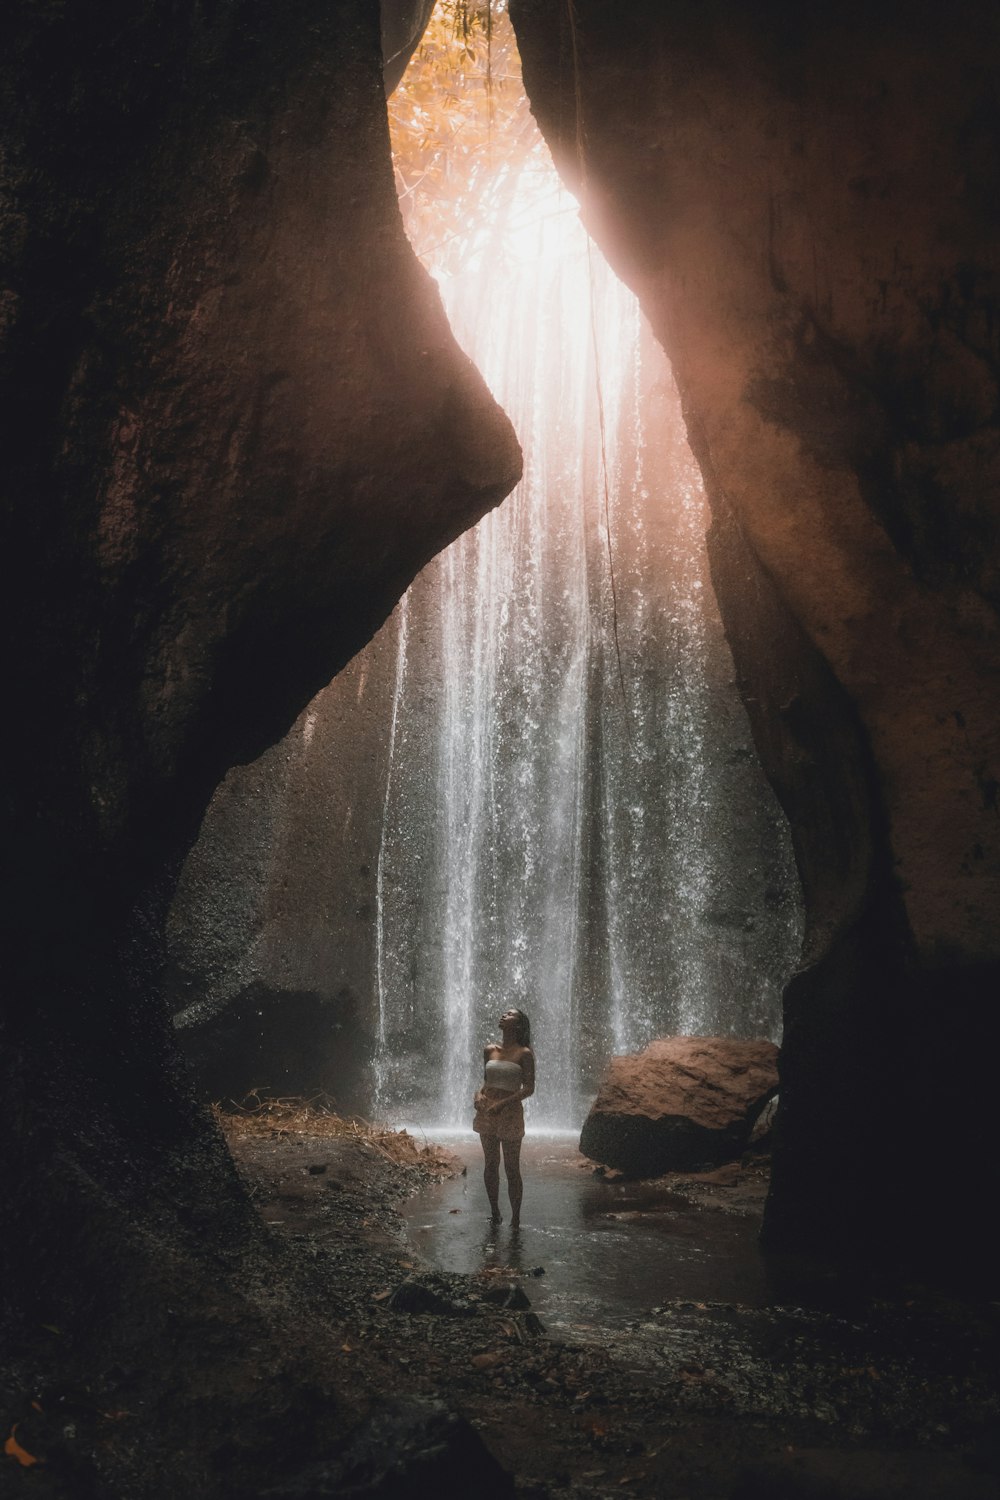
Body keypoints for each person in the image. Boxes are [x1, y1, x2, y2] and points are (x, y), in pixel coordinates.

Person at [472, 1007, 535, 1228]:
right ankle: (495, 1212)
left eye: (509, 1015)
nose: (503, 1016)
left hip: (509, 1114)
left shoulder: (524, 1054)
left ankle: (516, 1218)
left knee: (511, 1167)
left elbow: (529, 1088)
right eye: (504, 1013)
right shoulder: (489, 1050)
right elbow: (485, 1081)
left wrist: (503, 1104)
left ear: (517, 1025)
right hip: (487, 1113)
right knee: (490, 1164)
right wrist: (478, 1095)